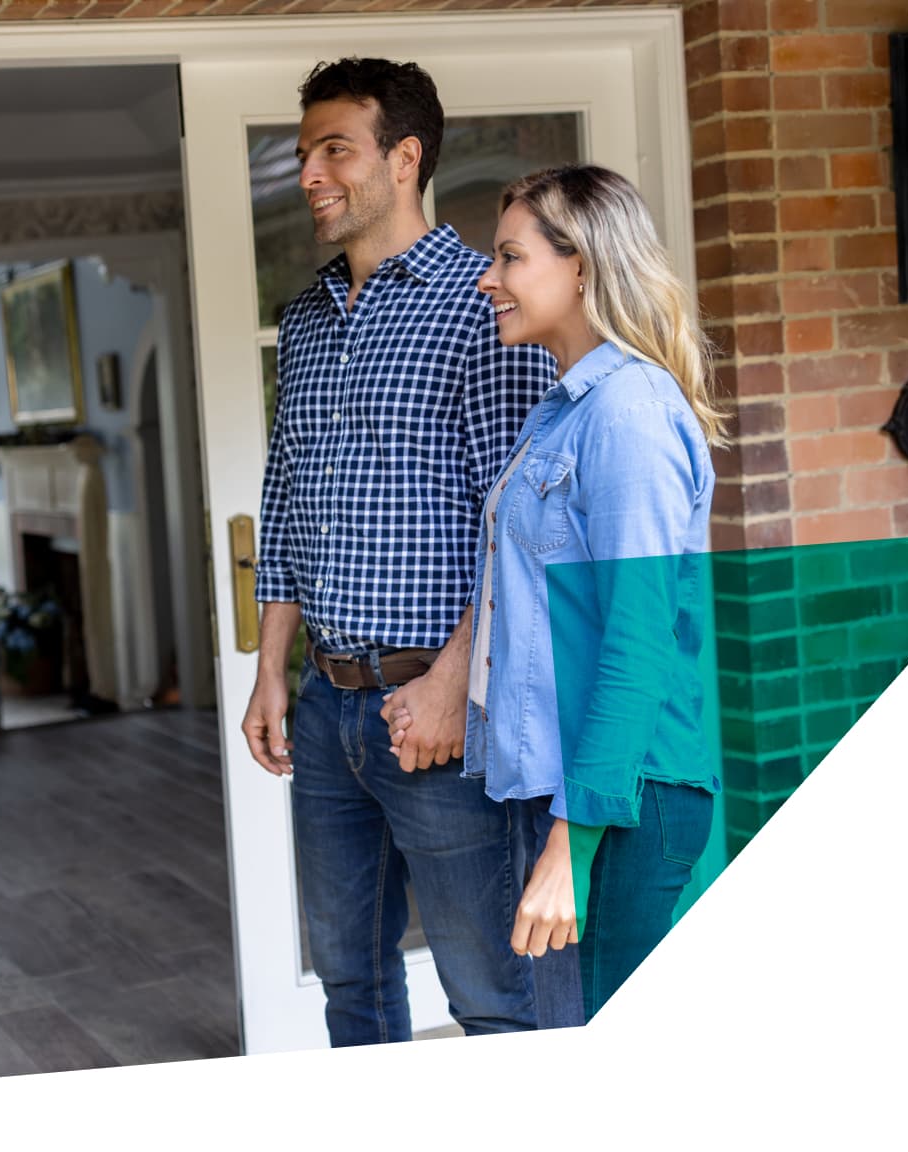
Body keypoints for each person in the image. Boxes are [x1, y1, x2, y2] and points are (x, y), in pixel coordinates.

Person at [240, 57, 582, 1045]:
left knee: (490, 998)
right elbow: (288, 498)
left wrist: (451, 680)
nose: (309, 172)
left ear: (405, 159)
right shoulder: (305, 321)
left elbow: (518, 520)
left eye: (334, 149)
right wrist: (271, 668)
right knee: (351, 988)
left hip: (442, 713)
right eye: (303, 153)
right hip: (324, 709)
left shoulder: (484, 307)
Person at [394, 164, 725, 1020]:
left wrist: (571, 850)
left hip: (623, 802)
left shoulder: (627, 414)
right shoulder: (563, 411)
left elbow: (638, 644)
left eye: (509, 257)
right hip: (565, 793)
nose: (488, 278)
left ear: (580, 266)